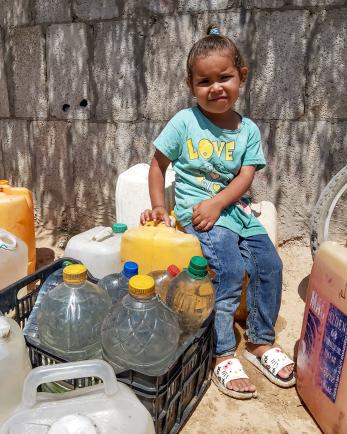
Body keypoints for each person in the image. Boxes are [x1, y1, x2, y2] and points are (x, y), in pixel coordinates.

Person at [140, 24, 295, 399]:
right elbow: (158, 164)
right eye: (204, 81)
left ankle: (260, 343)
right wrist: (160, 207)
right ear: (192, 86)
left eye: (224, 77)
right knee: (229, 269)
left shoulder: (248, 130)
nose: (215, 87)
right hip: (202, 216)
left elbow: (246, 175)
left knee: (270, 266)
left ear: (241, 77)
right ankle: (221, 352)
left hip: (235, 212)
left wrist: (220, 202)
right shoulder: (184, 122)